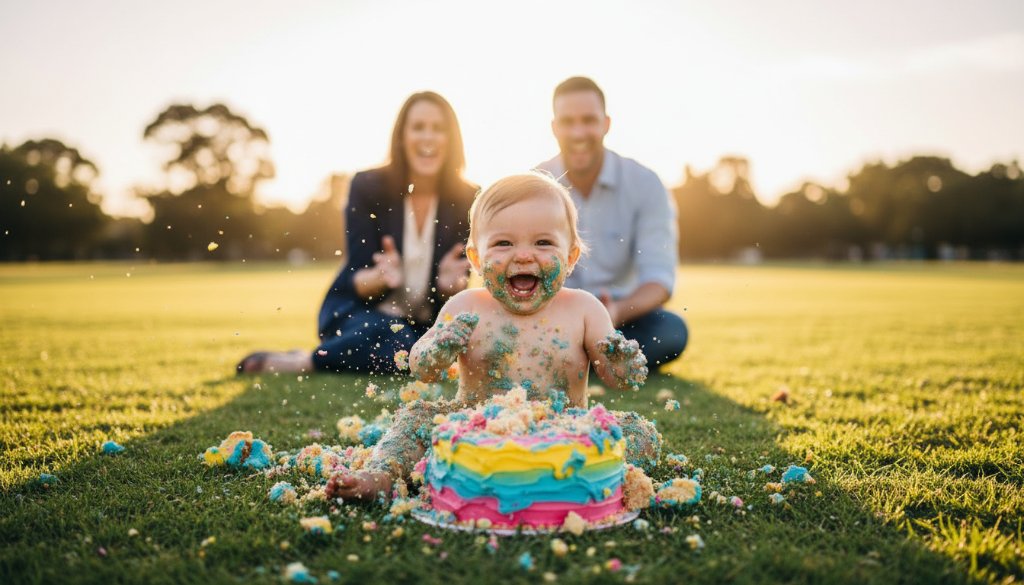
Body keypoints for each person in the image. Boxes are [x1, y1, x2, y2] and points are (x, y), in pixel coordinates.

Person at [328, 171, 659, 501]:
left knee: (638, 432)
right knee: (416, 419)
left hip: (565, 433)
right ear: (476, 258)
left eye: (543, 242)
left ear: (571, 256)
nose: (524, 255)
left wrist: (622, 363)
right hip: (475, 431)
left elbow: (619, 378)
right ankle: (380, 475)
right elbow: (421, 365)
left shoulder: (584, 309)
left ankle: (601, 474)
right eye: (504, 243)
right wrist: (438, 351)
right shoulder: (467, 306)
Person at [236, 91, 477, 375]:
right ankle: (305, 363)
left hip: (425, 324)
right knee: (398, 341)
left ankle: (342, 353)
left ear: (452, 139)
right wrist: (380, 278)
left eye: (438, 129)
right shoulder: (367, 187)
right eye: (418, 127)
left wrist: (451, 286)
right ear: (401, 136)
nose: (428, 137)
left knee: (426, 342)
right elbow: (357, 276)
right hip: (363, 315)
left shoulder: (467, 198)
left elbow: (458, 279)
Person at [537, 76, 688, 369]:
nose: (578, 132)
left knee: (670, 331)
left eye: (588, 120)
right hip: (552, 318)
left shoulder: (645, 183)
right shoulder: (535, 183)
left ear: (606, 124)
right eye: (568, 122)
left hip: (621, 319)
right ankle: (598, 362)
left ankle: (574, 362)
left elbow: (659, 280)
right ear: (555, 128)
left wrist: (615, 312)